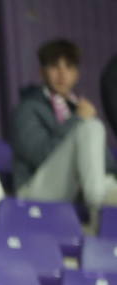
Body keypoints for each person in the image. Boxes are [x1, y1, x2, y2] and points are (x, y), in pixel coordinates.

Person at [10, 38, 117, 233]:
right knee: (92, 128)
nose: (62, 74)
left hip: (75, 191)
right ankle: (101, 209)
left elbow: (105, 164)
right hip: (34, 191)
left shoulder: (79, 108)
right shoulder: (27, 109)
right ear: (42, 72)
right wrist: (77, 121)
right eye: (54, 66)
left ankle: (105, 202)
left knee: (93, 128)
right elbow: (40, 155)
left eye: (68, 67)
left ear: (76, 74)